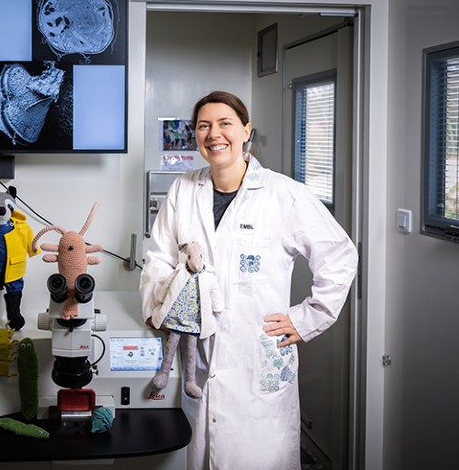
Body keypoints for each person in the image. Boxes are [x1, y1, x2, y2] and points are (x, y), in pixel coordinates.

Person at [140, 90, 358, 470]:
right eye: (204, 126)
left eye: (225, 123)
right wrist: (162, 311)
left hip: (257, 359)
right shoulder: (183, 190)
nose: (214, 134)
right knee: (200, 453)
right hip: (200, 358)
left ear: (245, 130)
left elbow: (340, 255)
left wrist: (308, 318)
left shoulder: (283, 195)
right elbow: (158, 258)